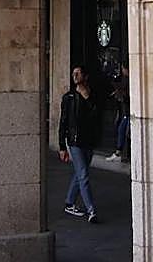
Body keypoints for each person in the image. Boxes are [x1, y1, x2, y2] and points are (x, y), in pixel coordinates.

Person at [58, 65, 100, 223]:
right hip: (75, 141)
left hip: (88, 140)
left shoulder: (92, 95)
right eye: (73, 73)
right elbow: (63, 123)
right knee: (83, 175)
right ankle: (91, 210)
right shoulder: (68, 97)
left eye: (78, 73)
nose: (74, 75)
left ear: (85, 76)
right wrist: (62, 146)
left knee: (79, 173)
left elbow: (96, 117)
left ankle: (69, 203)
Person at [106, 63, 130, 162]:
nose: (122, 71)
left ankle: (121, 153)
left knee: (123, 130)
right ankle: (120, 152)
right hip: (126, 112)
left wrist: (121, 95)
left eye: (123, 68)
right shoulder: (125, 80)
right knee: (122, 129)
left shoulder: (128, 80)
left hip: (128, 112)